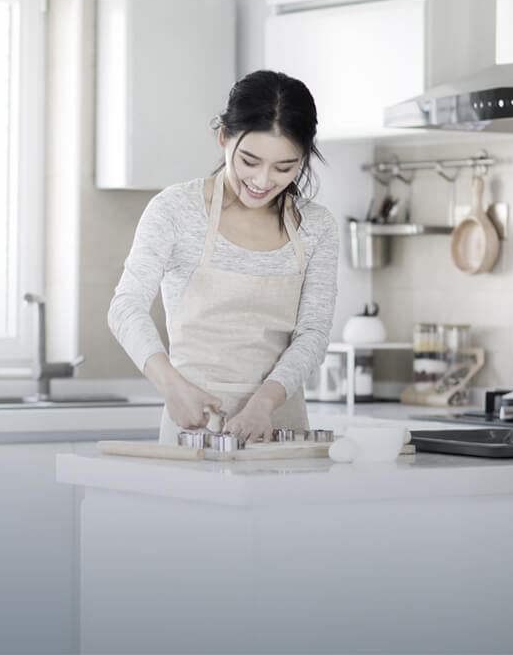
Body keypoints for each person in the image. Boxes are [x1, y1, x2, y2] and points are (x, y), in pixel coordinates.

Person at [107, 69, 339, 444]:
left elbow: (313, 333)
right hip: (192, 430)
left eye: (284, 167)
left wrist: (264, 402)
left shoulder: (316, 226)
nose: (263, 181)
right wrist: (170, 386)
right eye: (249, 161)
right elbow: (125, 307)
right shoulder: (175, 210)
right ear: (223, 137)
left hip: (279, 428)